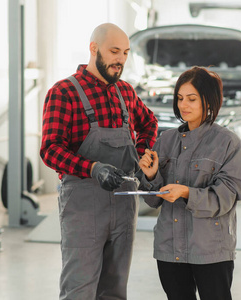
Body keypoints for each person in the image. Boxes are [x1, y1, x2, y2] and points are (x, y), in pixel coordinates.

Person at [40, 23, 158, 300]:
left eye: (126, 53)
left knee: (115, 289)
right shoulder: (64, 92)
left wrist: (141, 158)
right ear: (94, 49)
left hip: (124, 203)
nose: (120, 59)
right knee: (79, 289)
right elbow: (50, 149)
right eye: (114, 51)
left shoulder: (125, 92)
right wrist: (93, 168)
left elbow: (149, 123)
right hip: (83, 206)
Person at [138, 66, 241, 300]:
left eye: (191, 99)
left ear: (208, 101)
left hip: (210, 251)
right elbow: (152, 201)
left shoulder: (228, 144)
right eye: (180, 98)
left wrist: (187, 193)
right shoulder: (166, 141)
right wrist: (150, 176)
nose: (183, 105)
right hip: (169, 250)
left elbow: (226, 197)